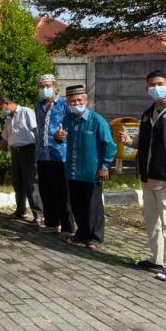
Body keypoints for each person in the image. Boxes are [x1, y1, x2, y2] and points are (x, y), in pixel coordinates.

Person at [119, 70, 166, 282]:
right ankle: (156, 259)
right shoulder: (147, 114)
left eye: (159, 83)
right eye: (151, 85)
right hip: (148, 178)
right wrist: (128, 140)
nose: (155, 88)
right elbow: (144, 144)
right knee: (153, 223)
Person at [54, 85, 116, 250]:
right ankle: (81, 233)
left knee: (93, 206)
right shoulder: (68, 119)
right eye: (72, 101)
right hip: (73, 171)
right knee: (77, 204)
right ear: (67, 103)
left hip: (92, 171)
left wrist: (104, 167)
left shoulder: (97, 121)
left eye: (79, 100)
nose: (76, 103)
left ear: (86, 100)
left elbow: (109, 145)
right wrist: (57, 136)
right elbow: (60, 137)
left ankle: (95, 238)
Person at [0, 94, 44, 225]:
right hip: (15, 152)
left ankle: (39, 215)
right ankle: (20, 211)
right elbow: (5, 139)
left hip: (29, 151)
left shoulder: (26, 112)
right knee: (18, 182)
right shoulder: (8, 119)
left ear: (5, 103)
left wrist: (38, 153)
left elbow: (37, 131)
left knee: (32, 184)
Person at [34, 74, 74, 235]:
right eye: (42, 86)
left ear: (55, 87)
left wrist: (65, 134)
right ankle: (52, 223)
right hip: (43, 155)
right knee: (46, 190)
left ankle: (68, 226)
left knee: (62, 192)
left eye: (48, 86)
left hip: (60, 154)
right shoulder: (38, 106)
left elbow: (73, 123)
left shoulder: (64, 104)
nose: (45, 89)